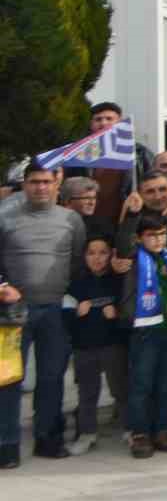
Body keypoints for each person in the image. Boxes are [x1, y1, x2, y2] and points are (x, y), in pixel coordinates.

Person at [0, 160, 86, 466]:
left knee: (52, 378)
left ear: (57, 184)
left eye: (47, 182)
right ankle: (6, 444)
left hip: (54, 310)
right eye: (35, 182)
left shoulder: (71, 220)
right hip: (11, 312)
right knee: (8, 380)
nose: (41, 187)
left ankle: (47, 438)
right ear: (24, 184)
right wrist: (3, 285)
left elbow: (77, 261)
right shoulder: (5, 216)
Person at [119, 215, 167, 459]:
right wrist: (131, 215)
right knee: (142, 383)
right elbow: (123, 244)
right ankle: (140, 432)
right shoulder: (134, 260)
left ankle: (162, 429)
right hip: (145, 331)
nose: (158, 240)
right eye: (151, 235)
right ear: (139, 238)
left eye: (162, 234)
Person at [65, 234, 128, 455]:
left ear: (111, 254)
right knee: (87, 392)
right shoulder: (76, 283)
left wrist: (117, 313)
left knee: (120, 388)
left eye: (102, 252)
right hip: (84, 346)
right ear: (84, 256)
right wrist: (75, 312)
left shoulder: (118, 281)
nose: (97, 258)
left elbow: (129, 311)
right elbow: (65, 317)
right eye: (91, 253)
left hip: (112, 344)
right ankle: (87, 433)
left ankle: (131, 429)